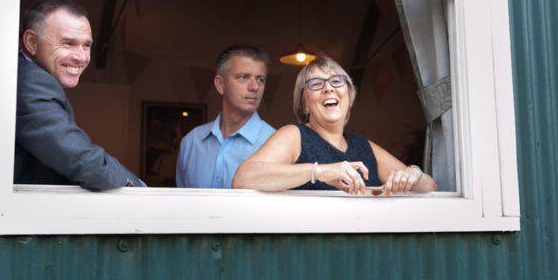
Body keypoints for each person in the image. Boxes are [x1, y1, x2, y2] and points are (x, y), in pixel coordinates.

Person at [233, 56, 437, 194]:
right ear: (304, 103)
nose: (328, 88)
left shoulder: (364, 147)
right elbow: (243, 178)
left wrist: (413, 174)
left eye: (337, 81)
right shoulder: (294, 135)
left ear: (348, 94)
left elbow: (430, 189)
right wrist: (319, 172)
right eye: (316, 84)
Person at [15, 0, 144, 189]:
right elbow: (86, 163)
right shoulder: (30, 80)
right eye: (68, 43)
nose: (81, 57)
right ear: (32, 42)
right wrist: (139, 189)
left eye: (87, 45)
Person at [176, 45, 276, 188]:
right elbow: (181, 205)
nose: (254, 87)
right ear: (220, 84)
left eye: (260, 79)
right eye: (243, 77)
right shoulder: (191, 142)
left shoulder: (276, 143)